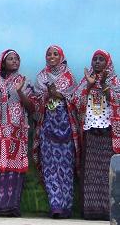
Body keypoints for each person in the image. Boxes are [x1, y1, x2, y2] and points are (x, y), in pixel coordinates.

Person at [0, 50, 34, 217]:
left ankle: (12, 207)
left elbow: (31, 108)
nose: (14, 61)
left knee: (15, 170)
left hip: (16, 134)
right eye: (10, 59)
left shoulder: (24, 81)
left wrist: (19, 92)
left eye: (16, 59)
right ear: (3, 63)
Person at [72, 50, 120, 220]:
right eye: (95, 59)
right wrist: (89, 85)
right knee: (91, 173)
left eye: (101, 59)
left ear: (108, 63)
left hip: (108, 134)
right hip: (91, 134)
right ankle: (91, 211)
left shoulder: (115, 81)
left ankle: (108, 211)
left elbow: (117, 101)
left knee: (107, 172)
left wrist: (105, 84)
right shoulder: (87, 80)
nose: (98, 62)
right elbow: (75, 101)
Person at [33, 45, 80, 219]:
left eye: (55, 54)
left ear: (61, 57)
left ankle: (66, 206)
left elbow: (75, 99)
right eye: (48, 54)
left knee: (66, 168)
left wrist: (59, 95)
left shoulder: (69, 77)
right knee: (50, 167)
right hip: (47, 128)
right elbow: (36, 99)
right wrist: (47, 95)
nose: (51, 57)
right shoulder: (41, 77)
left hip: (66, 128)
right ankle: (56, 206)